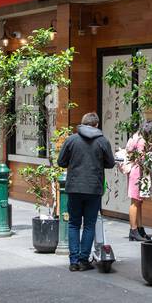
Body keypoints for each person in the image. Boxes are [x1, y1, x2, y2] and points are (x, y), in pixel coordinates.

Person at [58, 113, 114, 271]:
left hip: (74, 187)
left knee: (74, 224)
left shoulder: (71, 140)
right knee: (89, 225)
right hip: (93, 188)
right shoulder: (102, 141)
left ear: (82, 124)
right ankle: (84, 260)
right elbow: (110, 163)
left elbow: (61, 161)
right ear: (96, 125)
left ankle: (73, 262)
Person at [121, 121, 152, 242]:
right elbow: (142, 158)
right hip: (138, 172)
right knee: (135, 202)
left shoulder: (134, 136)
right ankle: (133, 230)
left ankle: (139, 228)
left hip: (135, 171)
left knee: (138, 202)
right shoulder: (142, 141)